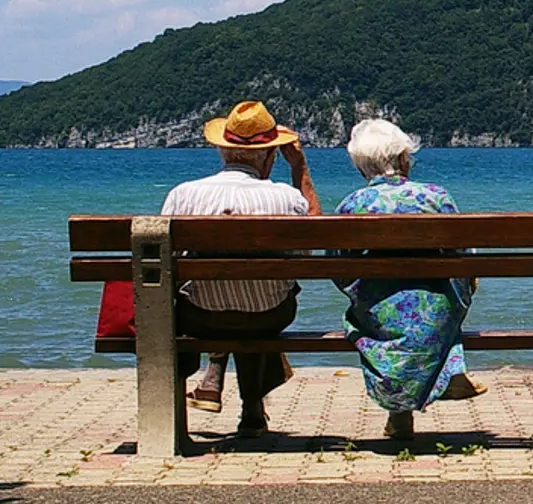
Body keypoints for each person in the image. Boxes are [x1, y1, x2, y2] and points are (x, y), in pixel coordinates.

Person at [162, 100, 322, 437]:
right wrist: (301, 170)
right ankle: (252, 409)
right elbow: (311, 245)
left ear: (223, 150)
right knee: (260, 305)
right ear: (269, 155)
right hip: (269, 315)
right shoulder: (286, 197)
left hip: (200, 316)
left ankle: (217, 377)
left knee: (223, 302)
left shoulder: (183, 194)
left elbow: (166, 262)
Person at [333, 118, 485, 439]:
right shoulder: (436, 196)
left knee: (388, 303)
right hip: (436, 313)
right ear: (403, 159)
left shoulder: (351, 205)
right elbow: (465, 255)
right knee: (449, 292)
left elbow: (337, 268)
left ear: (362, 167)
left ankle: (401, 415)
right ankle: (451, 369)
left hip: (379, 314)